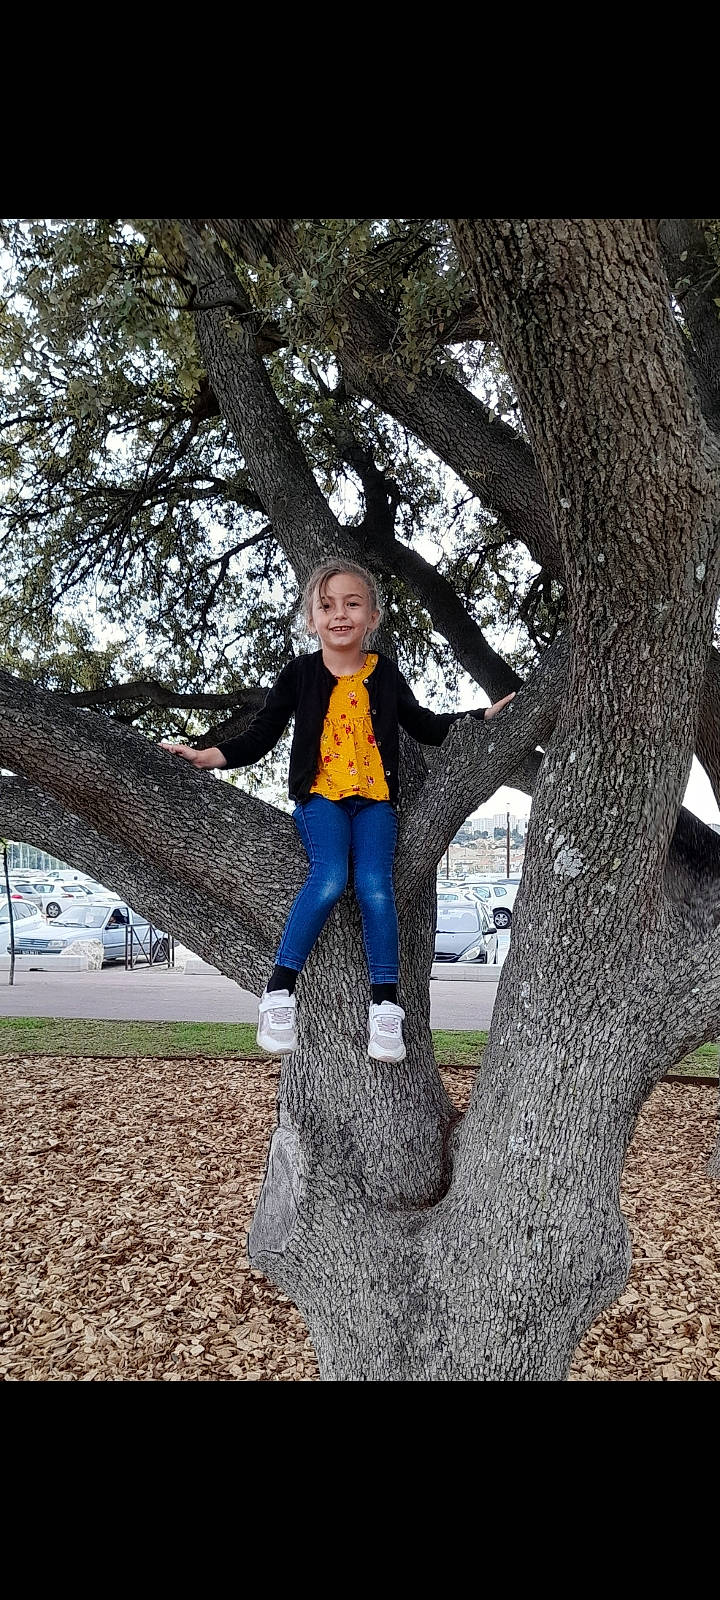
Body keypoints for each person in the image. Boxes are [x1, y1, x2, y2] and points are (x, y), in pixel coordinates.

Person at [161, 560, 515, 1063]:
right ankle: (278, 993)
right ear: (312, 620)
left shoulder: (384, 674)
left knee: (375, 887)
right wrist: (207, 756)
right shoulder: (300, 674)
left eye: (352, 604)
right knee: (329, 878)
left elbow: (424, 725)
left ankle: (385, 1006)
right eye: (326, 607)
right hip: (321, 798)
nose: (340, 615)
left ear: (372, 617)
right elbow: (261, 735)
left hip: (374, 802)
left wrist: (478, 715)